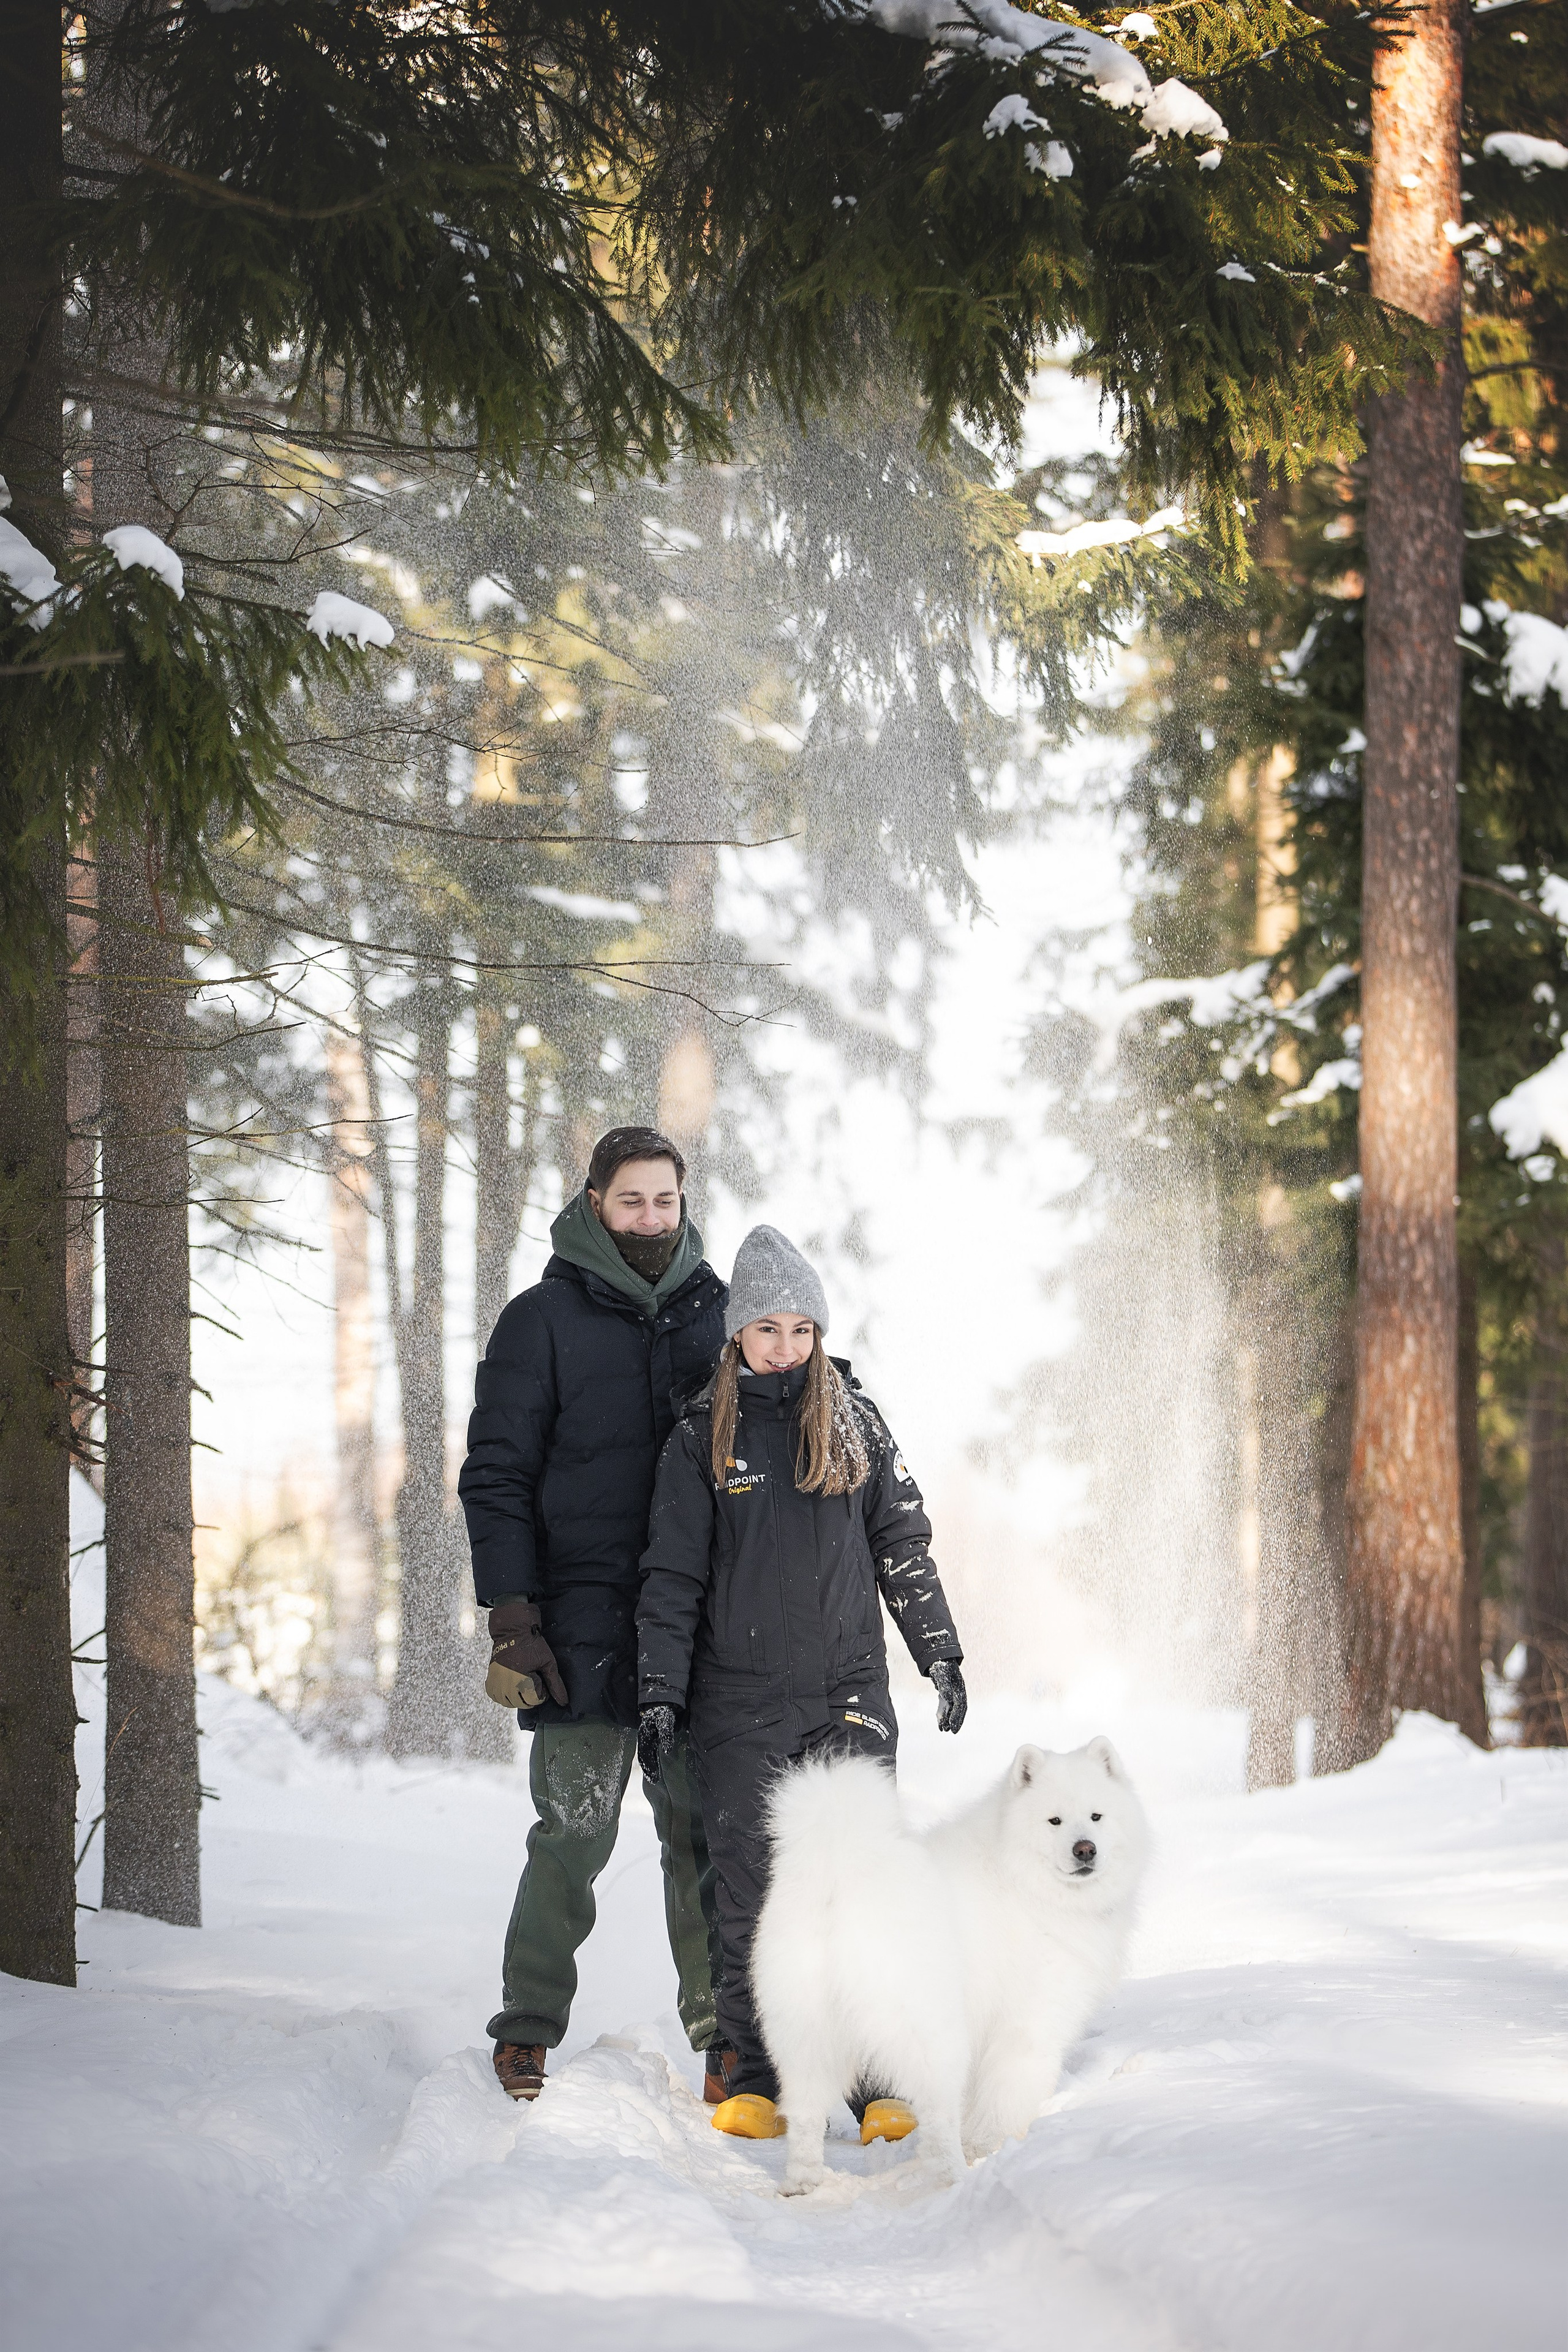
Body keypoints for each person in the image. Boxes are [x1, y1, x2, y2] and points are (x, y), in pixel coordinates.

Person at [635, 1224, 967, 2140]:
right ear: (738, 1331)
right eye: (767, 1328)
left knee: (861, 1890)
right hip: (737, 1705)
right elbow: (671, 1581)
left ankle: (874, 2084)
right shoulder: (701, 1439)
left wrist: (939, 1650)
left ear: (821, 1334)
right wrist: (660, 1693)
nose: (785, 1346)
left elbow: (903, 1544)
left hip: (849, 1695)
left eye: (801, 1329)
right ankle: (754, 2074)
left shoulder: (857, 1425)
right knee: (751, 1892)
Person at [458, 1125, 729, 2102]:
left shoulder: (725, 1318)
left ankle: (724, 2041)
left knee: (701, 1837)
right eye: (632, 1202)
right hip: (575, 1627)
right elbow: (495, 1476)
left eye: (665, 1201)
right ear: (595, 1204)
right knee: (573, 1833)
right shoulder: (539, 1321)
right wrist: (512, 1616)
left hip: (694, 1631)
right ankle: (527, 2025)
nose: (651, 1218)